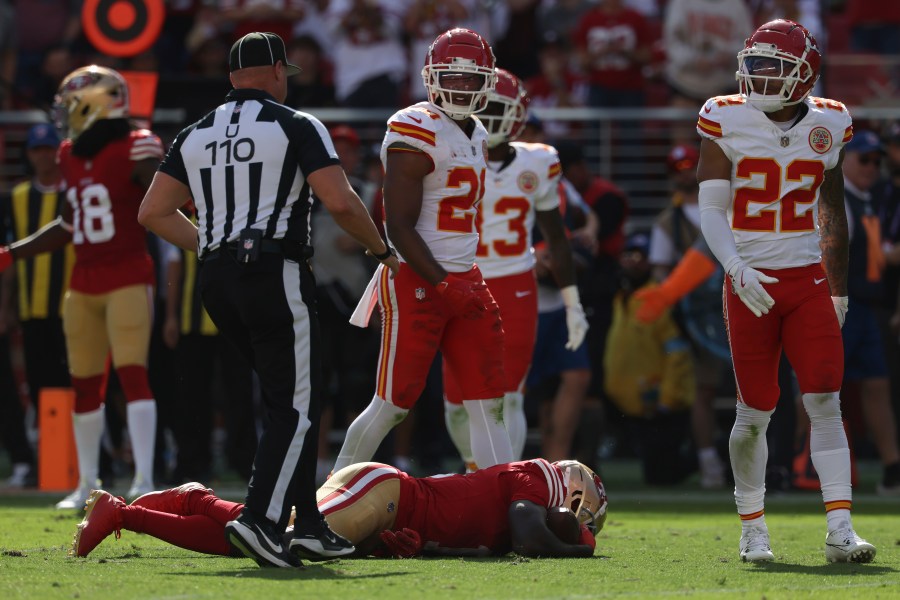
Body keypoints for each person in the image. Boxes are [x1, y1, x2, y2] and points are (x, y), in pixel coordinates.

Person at [137, 31, 399, 569]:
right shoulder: (296, 124)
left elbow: (153, 213)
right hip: (274, 270)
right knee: (298, 405)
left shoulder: (194, 132)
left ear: (233, 78)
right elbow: (341, 202)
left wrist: (213, 245)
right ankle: (260, 520)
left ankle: (311, 526)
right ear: (278, 71)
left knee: (287, 399)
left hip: (216, 278)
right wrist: (383, 251)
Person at [695, 19, 875, 563]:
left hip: (805, 280)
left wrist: (838, 288)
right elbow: (710, 209)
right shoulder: (723, 116)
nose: (759, 76)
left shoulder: (831, 121)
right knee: (755, 410)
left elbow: (831, 209)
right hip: (749, 280)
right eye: (755, 63)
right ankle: (753, 528)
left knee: (824, 398)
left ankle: (840, 529)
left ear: (805, 76)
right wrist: (734, 267)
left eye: (774, 67)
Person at [334, 28, 515, 474]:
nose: (460, 87)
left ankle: (507, 501)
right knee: (393, 404)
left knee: (489, 401)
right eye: (451, 77)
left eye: (471, 80)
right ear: (432, 78)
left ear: (486, 83)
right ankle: (329, 496)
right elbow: (396, 226)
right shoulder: (414, 126)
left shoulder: (475, 131)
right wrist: (442, 282)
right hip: (419, 278)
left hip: (465, 276)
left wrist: (460, 281)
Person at [0, 67, 163, 508]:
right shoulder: (70, 153)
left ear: (94, 103)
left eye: (71, 105)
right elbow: (70, 223)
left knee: (133, 376)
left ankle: (144, 478)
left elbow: (165, 196)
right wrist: (12, 252)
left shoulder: (136, 146)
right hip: (83, 282)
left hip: (128, 273)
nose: (65, 115)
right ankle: (87, 482)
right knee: (84, 384)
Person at [442, 68, 589, 467]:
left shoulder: (539, 160)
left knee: (508, 395)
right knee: (456, 402)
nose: (489, 119)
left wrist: (572, 302)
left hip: (514, 284)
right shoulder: (445, 152)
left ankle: (504, 479)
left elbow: (557, 238)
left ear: (519, 115)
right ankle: (476, 469)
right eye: (484, 109)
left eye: (498, 110)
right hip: (458, 282)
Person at [70, 458, 607, 560]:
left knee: (260, 544)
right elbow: (529, 535)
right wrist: (583, 552)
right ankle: (196, 498)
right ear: (574, 490)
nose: (578, 523)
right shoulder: (536, 476)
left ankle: (123, 514)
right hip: (384, 491)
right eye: (582, 516)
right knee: (275, 540)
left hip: (387, 512)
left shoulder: (531, 496)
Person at [639, 144, 728, 489]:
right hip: (698, 317)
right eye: (680, 167)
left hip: (742, 301)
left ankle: (760, 463)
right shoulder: (668, 221)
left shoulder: (725, 206)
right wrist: (668, 296)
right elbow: (663, 271)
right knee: (702, 390)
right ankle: (709, 461)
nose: (686, 172)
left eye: (692, 165)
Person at [604, 232, 696, 485]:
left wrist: (669, 397)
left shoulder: (660, 298)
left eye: (639, 256)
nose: (632, 262)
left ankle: (712, 459)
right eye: (627, 255)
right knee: (652, 472)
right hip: (633, 404)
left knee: (663, 475)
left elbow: (677, 353)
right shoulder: (621, 296)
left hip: (660, 403)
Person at [837, 130, 900, 495]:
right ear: (846, 159)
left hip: (870, 306)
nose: (872, 167)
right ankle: (797, 461)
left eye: (877, 161)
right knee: (820, 388)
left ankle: (892, 465)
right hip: (842, 305)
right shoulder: (836, 198)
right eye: (864, 159)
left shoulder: (876, 198)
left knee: (877, 385)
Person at [1, 123, 72, 413]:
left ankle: (93, 455)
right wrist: (8, 305)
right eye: (36, 150)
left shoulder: (75, 192)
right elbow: (11, 255)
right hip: (32, 310)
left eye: (48, 149)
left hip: (72, 307)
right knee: (40, 384)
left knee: (77, 383)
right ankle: (51, 452)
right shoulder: (16, 197)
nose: (43, 156)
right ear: (28, 154)